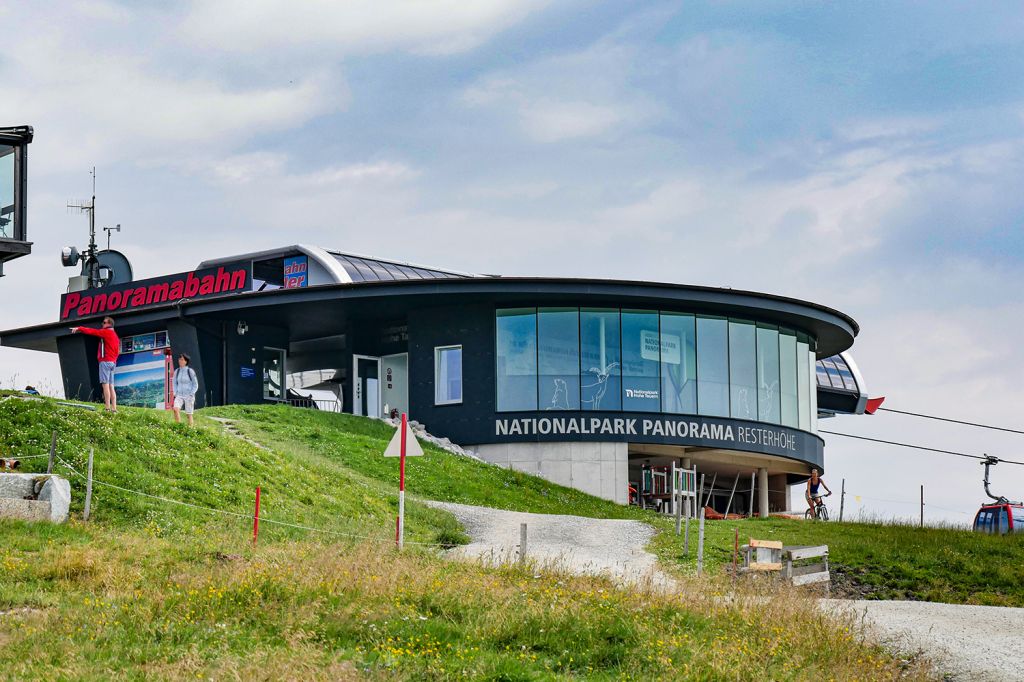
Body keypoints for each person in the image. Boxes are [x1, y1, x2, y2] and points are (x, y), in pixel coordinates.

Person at [70, 316, 120, 413]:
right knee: (111, 386)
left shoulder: (106, 332)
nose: (102, 324)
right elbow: (117, 351)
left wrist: (79, 328)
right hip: (113, 362)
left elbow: (92, 331)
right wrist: (114, 360)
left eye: (104, 322)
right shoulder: (115, 335)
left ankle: (107, 408)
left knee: (105, 385)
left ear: (109, 324)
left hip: (105, 362)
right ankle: (114, 409)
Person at [172, 353, 199, 426]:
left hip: (189, 395)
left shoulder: (190, 371)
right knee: (175, 409)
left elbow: (195, 384)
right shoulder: (176, 371)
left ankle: (190, 430)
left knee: (188, 414)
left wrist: (191, 393)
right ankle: (179, 427)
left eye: (182, 359)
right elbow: (174, 382)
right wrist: (175, 393)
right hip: (179, 395)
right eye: (179, 359)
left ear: (186, 361)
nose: (180, 361)